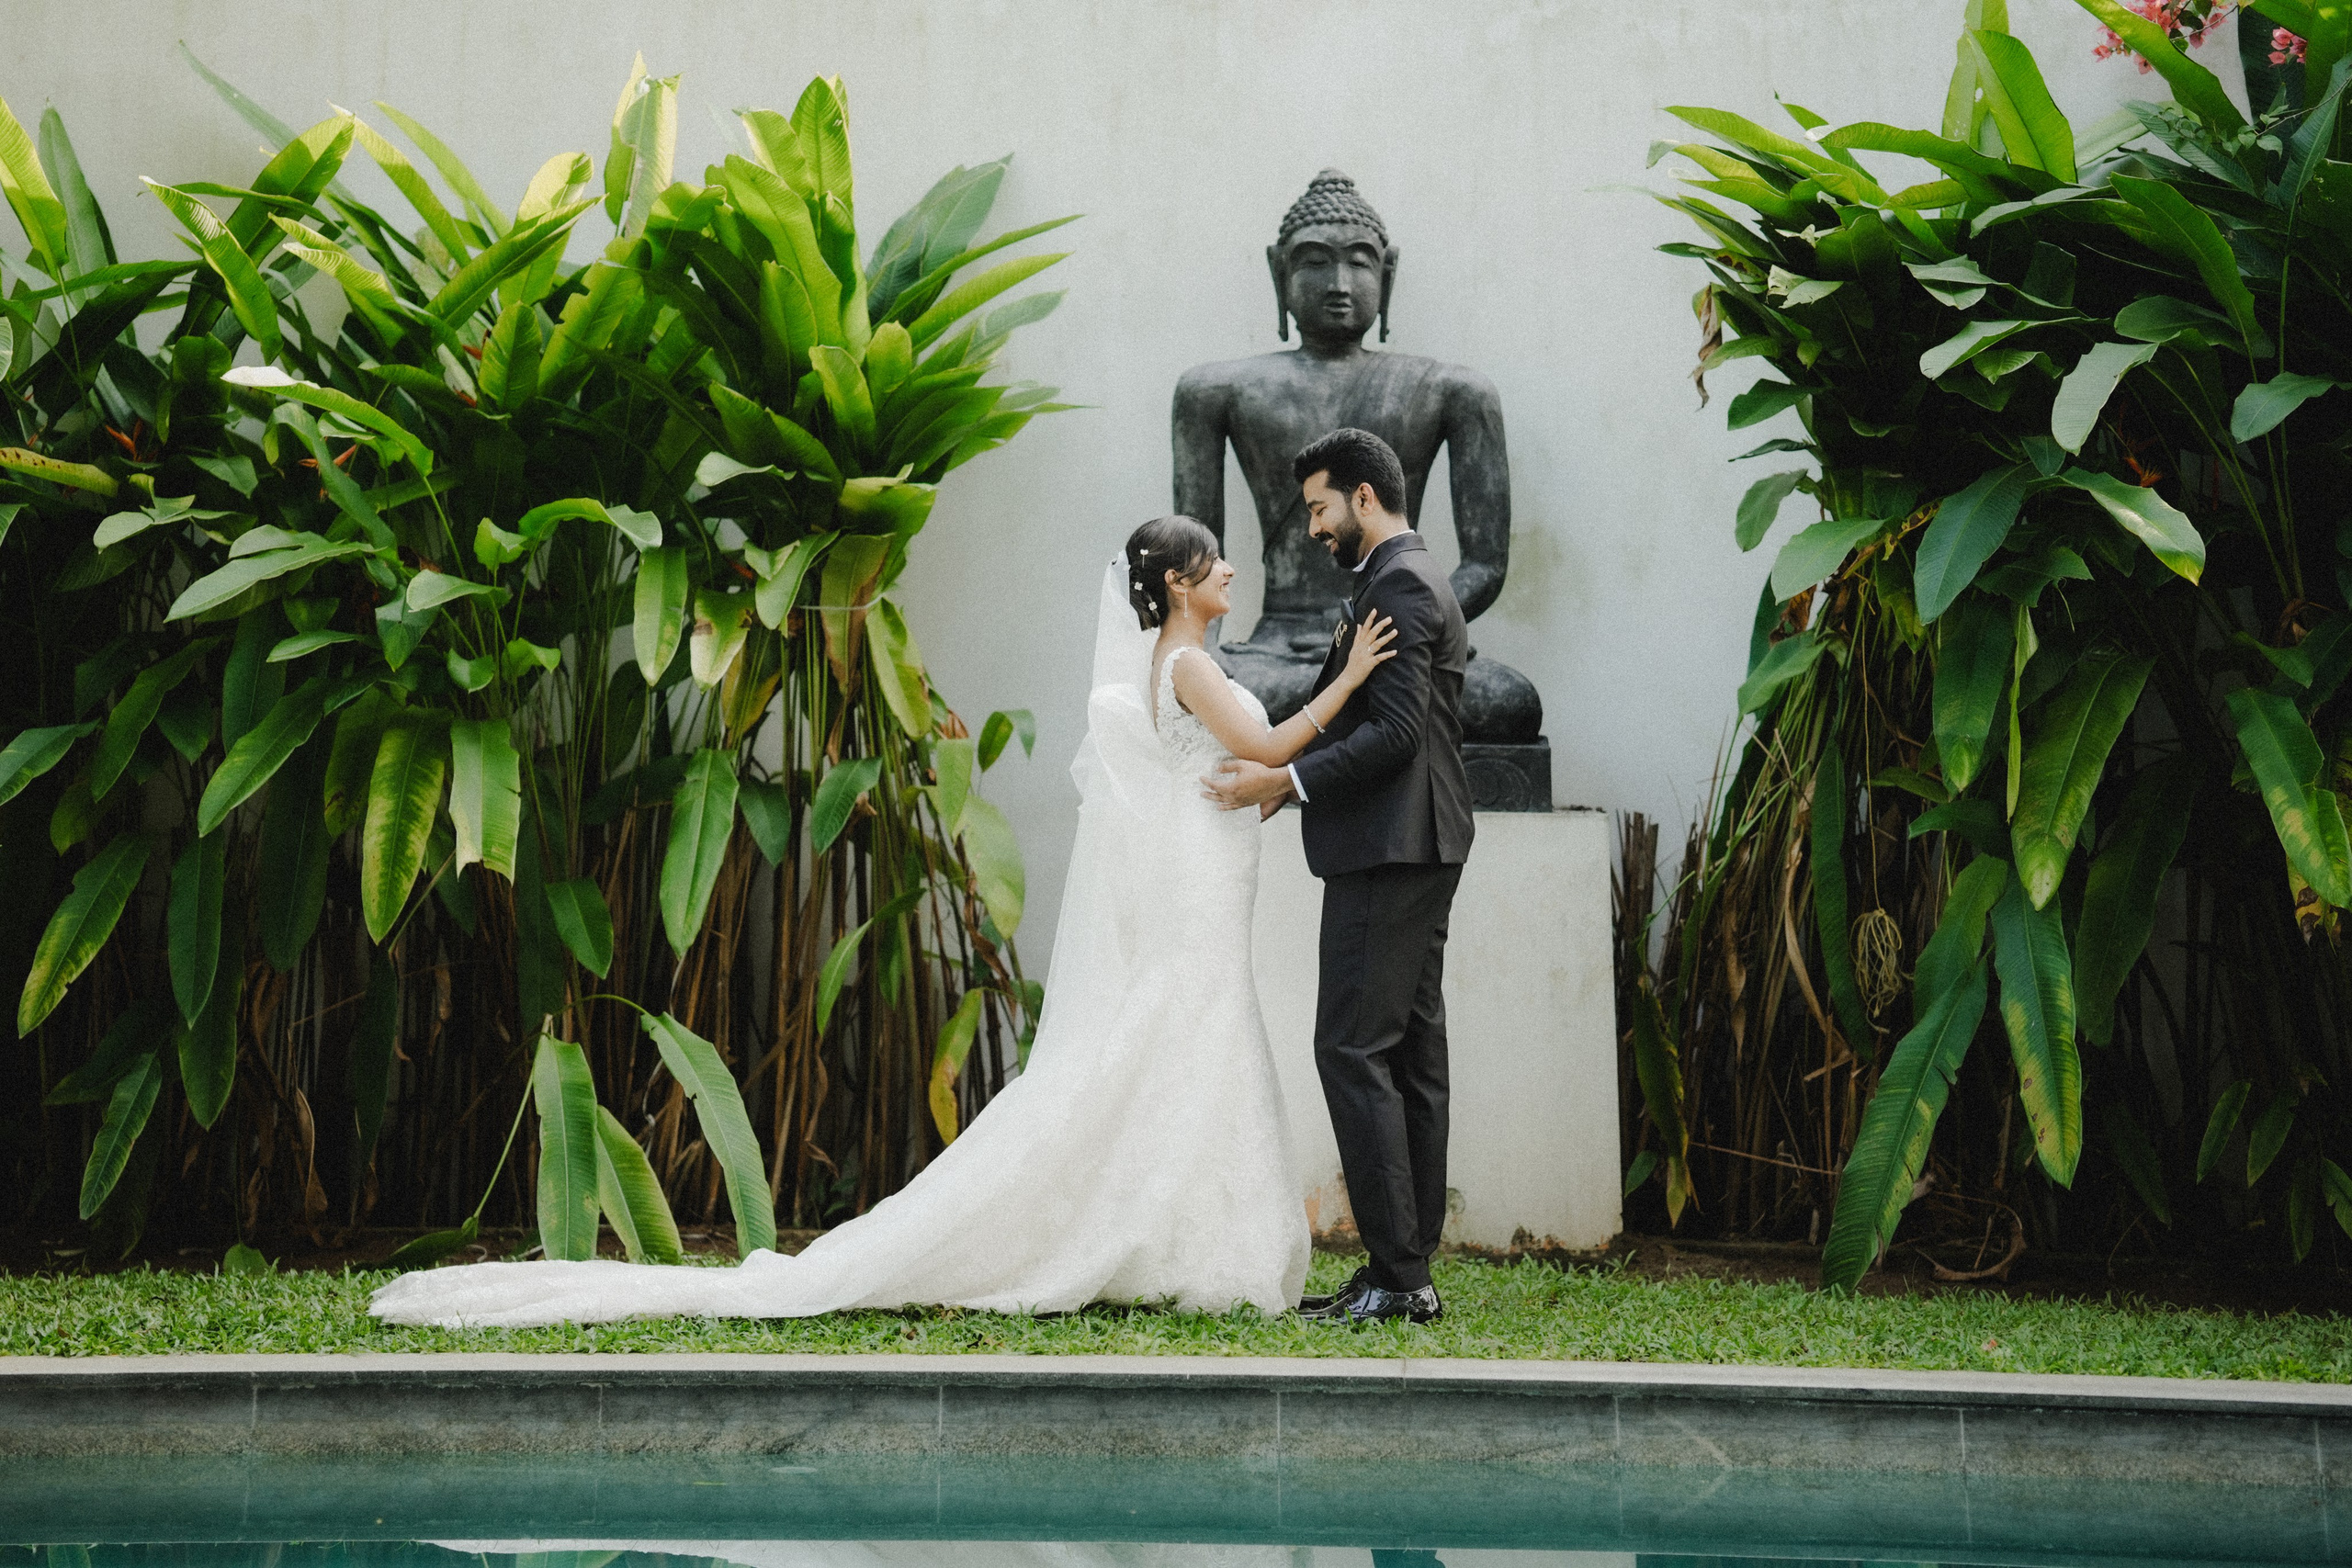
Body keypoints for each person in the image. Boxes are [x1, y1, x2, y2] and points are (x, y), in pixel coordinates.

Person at [368, 515, 1396, 1328]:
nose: (1232, 575)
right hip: (1200, 874)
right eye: (1215, 564)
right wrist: (1350, 677)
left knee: (1190, 1032)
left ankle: (1179, 1234)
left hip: (1205, 861)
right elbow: (1269, 746)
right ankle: (1187, 1240)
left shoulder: (1169, 662)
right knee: (1196, 1026)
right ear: (1177, 582)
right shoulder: (1188, 664)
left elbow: (1253, 760)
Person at [1202, 427, 1474, 1327]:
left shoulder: (1399, 583)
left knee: (1352, 1048)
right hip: (1418, 841)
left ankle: (1399, 1276)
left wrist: (1284, 781)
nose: (1314, 526)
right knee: (1408, 1052)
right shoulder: (1410, 575)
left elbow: (1394, 733)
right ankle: (1406, 1268)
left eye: (1319, 507)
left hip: (1390, 846)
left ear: (1363, 496)